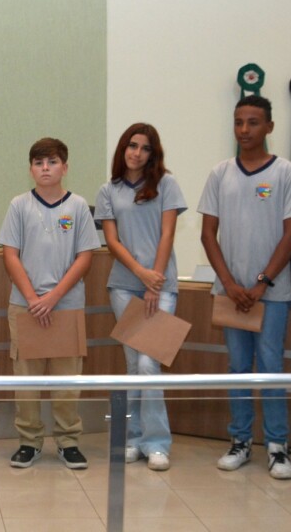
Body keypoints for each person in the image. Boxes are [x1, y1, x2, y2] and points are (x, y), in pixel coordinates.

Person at [198, 95, 291, 480]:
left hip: (271, 294)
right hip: (231, 294)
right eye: (238, 122)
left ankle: (277, 445)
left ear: (269, 127)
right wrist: (230, 284)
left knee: (271, 366)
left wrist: (262, 283)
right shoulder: (220, 173)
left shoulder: (286, 174)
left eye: (253, 122)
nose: (244, 130)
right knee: (238, 368)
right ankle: (241, 440)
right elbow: (208, 234)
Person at [0, 137, 101, 470]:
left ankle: (68, 441)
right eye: (39, 162)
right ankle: (29, 442)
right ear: (31, 169)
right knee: (26, 381)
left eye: (52, 162)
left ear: (64, 167)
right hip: (25, 305)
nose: (45, 168)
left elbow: (85, 257)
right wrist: (33, 299)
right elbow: (10, 254)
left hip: (66, 306)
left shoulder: (78, 206)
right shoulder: (19, 205)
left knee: (67, 380)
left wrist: (53, 297)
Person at [95, 123, 187, 472]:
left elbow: (167, 234)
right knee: (133, 364)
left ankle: (157, 442)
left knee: (150, 363)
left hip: (161, 286)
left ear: (153, 154)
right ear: (123, 149)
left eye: (145, 148)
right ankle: (132, 439)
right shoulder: (109, 190)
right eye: (132, 146)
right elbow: (112, 242)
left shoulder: (166, 185)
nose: (137, 153)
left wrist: (154, 280)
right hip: (123, 285)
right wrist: (139, 273)